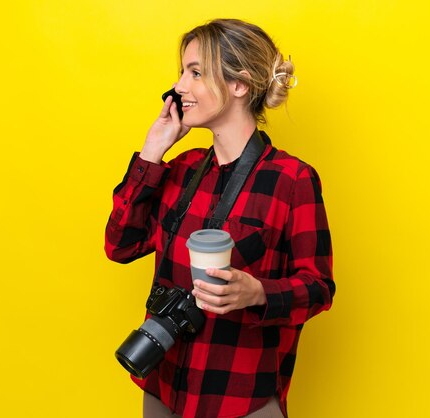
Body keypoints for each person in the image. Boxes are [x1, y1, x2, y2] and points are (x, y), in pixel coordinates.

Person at [105, 18, 335, 418]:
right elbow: (119, 245)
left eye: (195, 72)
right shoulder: (179, 169)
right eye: (181, 72)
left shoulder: (292, 180)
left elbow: (319, 288)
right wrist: (151, 153)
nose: (179, 86)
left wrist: (258, 292)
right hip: (164, 389)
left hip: (239, 399)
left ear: (239, 85)